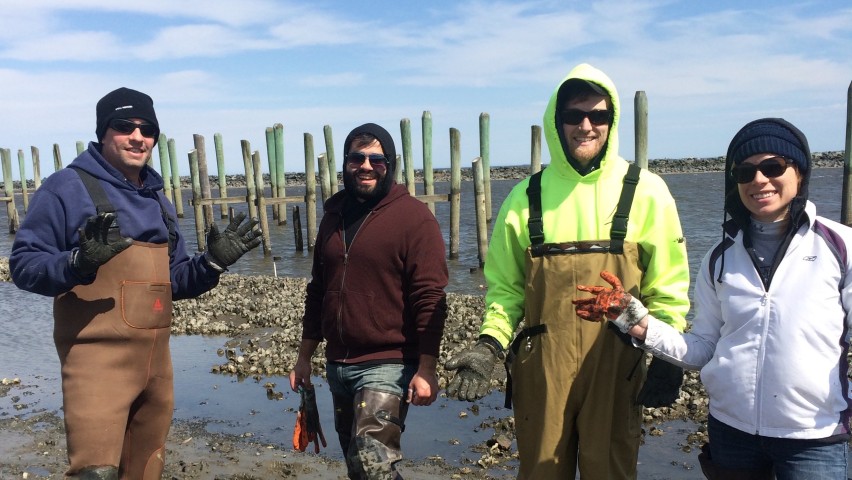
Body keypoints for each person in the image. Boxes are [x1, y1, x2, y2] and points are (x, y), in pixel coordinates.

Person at [444, 63, 691, 479]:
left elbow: (668, 287)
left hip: (619, 366)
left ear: (612, 122)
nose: (586, 126)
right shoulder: (525, 197)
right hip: (542, 371)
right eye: (574, 115)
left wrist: (668, 356)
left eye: (598, 115)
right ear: (556, 122)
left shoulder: (647, 191)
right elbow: (505, 292)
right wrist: (489, 345)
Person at [575, 118, 852, 480]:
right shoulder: (719, 258)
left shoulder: (840, 247)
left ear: (799, 173)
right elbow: (703, 347)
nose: (759, 180)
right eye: (745, 172)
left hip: (815, 439)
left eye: (773, 167)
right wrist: (634, 320)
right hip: (731, 432)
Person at [9, 87, 261, 479]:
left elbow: (172, 281)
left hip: (157, 371)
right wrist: (77, 262)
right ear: (103, 132)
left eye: (148, 129)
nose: (138, 137)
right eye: (124, 126)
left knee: (146, 472)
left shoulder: (158, 198)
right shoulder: (66, 188)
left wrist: (211, 263)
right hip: (95, 367)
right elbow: (23, 265)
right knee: (95, 474)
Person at [288, 123, 449, 479]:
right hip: (338, 364)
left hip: (387, 363)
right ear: (344, 163)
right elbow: (318, 290)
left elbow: (430, 298)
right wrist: (303, 358)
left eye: (376, 159)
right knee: (357, 467)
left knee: (371, 461)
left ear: (390, 165)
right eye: (356, 158)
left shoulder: (415, 219)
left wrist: (427, 369)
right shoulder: (332, 217)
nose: (365, 166)